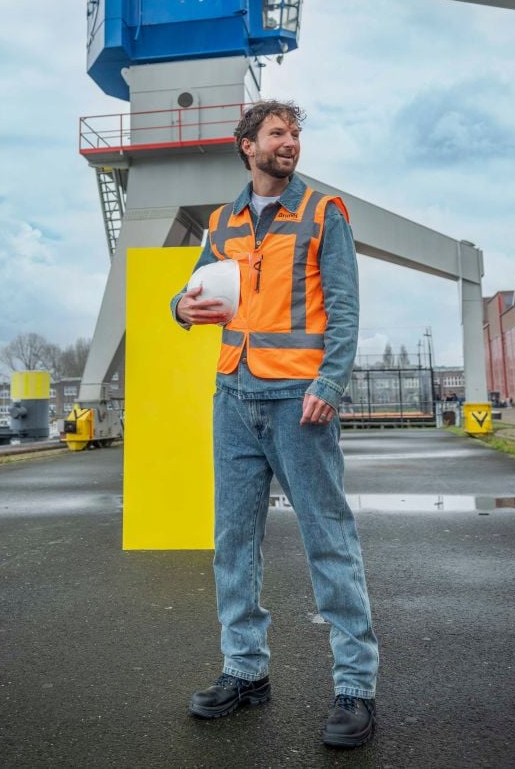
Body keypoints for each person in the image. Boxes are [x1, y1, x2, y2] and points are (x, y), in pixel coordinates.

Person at [171, 99, 378, 750]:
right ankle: (245, 671)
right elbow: (189, 295)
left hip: (299, 401)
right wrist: (181, 306)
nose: (289, 142)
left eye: (294, 133)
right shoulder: (223, 222)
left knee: (328, 540)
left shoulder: (323, 214)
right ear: (247, 146)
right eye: (277, 133)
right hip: (232, 397)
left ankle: (355, 688)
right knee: (233, 542)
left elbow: (344, 308)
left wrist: (330, 382)